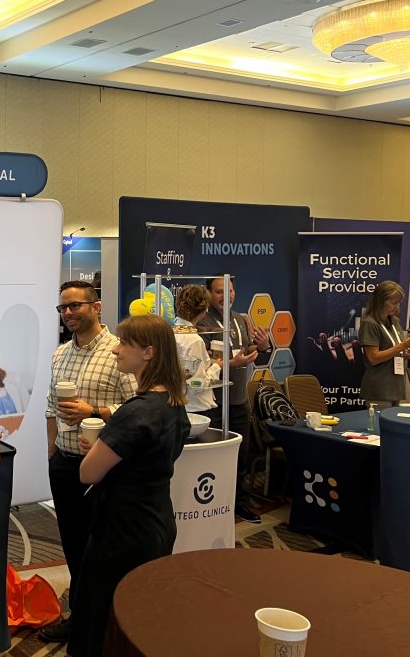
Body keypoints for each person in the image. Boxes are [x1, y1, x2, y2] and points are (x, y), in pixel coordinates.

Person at [73, 314, 191, 657]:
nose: (116, 350)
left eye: (125, 343)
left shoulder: (135, 412)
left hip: (122, 530)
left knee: (108, 615)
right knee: (142, 611)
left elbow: (87, 473)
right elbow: (146, 459)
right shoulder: (174, 404)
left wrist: (98, 450)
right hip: (156, 521)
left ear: (148, 352)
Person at [39, 281, 136, 646]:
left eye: (75, 306)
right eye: (63, 308)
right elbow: (51, 406)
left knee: (105, 549)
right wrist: (51, 451)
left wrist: (94, 411)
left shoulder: (119, 352)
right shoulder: (60, 354)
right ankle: (80, 618)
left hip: (105, 471)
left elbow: (137, 409)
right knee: (74, 545)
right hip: (65, 464)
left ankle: (108, 623)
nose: (68, 313)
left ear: (97, 307)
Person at [198, 277, 269, 524]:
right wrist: (231, 363)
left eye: (229, 291)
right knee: (212, 458)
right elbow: (203, 364)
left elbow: (247, 352)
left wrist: (263, 346)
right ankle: (210, 505)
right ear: (208, 293)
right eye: (219, 292)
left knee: (240, 456)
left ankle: (238, 503)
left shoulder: (239, 319)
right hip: (212, 404)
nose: (226, 296)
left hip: (239, 401)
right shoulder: (202, 323)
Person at [359, 281, 410, 407]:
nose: (397, 306)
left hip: (396, 388)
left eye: (399, 302)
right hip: (379, 389)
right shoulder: (370, 323)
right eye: (393, 303)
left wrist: (407, 354)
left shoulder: (394, 321)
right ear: (380, 302)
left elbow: (393, 353)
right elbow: (373, 358)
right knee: (378, 420)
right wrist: (403, 345)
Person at [173, 285, 219, 415]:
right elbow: (196, 384)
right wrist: (216, 367)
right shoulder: (194, 341)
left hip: (178, 405)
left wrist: (204, 359)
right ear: (204, 310)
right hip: (196, 408)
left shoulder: (170, 333)